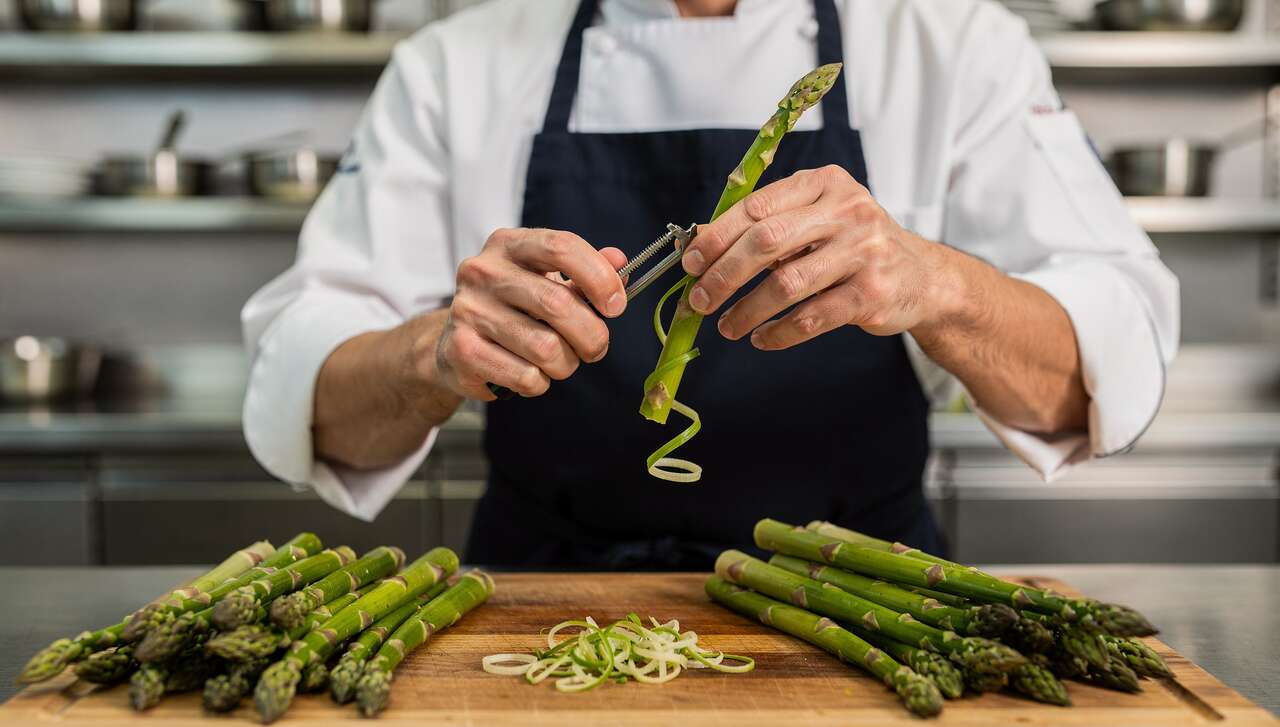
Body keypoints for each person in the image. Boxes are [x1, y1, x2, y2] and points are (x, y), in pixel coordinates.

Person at [242, 0, 1179, 569]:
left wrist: (938, 284)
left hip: (863, 599)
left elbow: (1100, 369)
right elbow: (311, 404)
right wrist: (430, 350)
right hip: (536, 599)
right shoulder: (454, 63)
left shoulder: (958, 45)